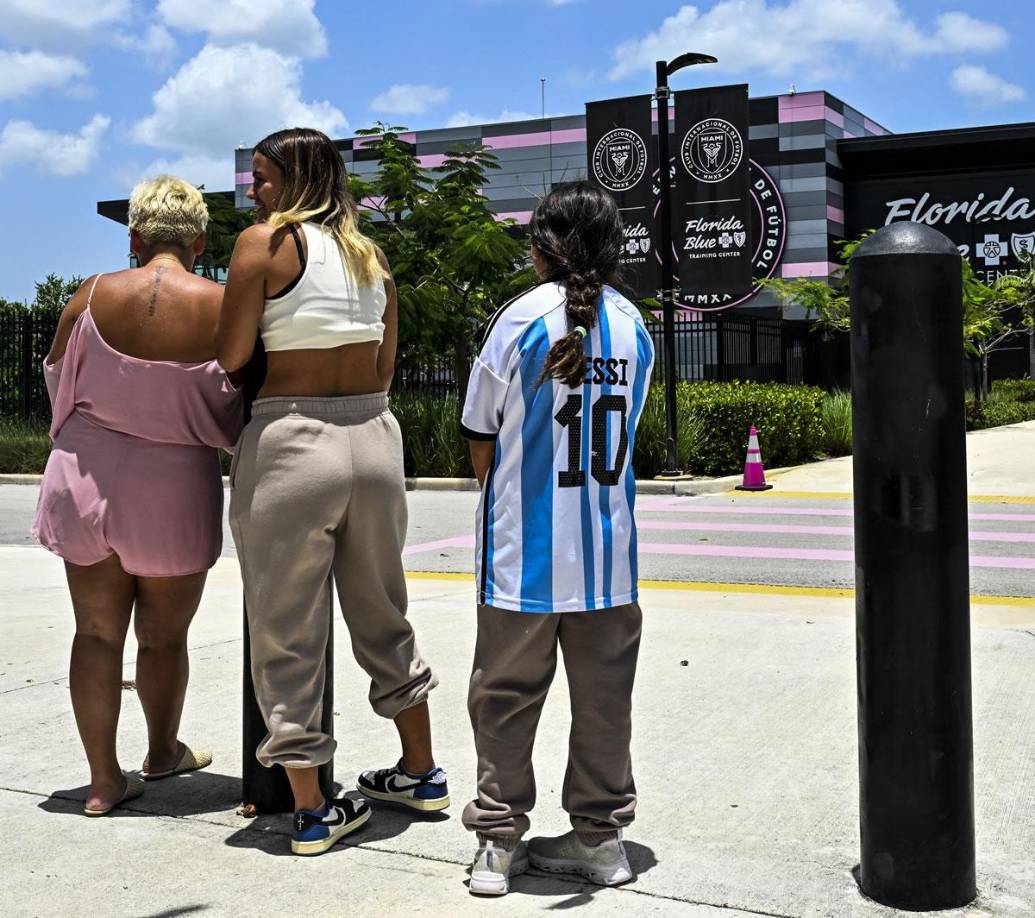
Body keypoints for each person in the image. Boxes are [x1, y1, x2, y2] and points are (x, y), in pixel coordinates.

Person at [217, 127, 446, 857]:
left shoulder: (262, 245)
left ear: (295, 179)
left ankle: (314, 810)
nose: (252, 191)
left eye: (261, 177)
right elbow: (383, 366)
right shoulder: (370, 256)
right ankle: (420, 771)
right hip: (375, 440)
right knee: (383, 611)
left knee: (285, 628)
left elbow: (231, 354)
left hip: (293, 438)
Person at [459, 182, 655, 896]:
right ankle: (601, 842)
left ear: (540, 245)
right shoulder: (634, 327)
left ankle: (496, 841)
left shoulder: (519, 319)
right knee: (605, 705)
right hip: (608, 559)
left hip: (523, 560)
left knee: (503, 697)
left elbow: (479, 437)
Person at [33, 176, 243, 816]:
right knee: (164, 639)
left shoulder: (93, 294)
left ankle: (102, 779)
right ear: (200, 239)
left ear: (134, 237)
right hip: (174, 484)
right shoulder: (221, 305)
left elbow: (55, 375)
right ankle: (161, 751)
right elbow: (237, 403)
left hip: (85, 472)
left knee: (95, 635)